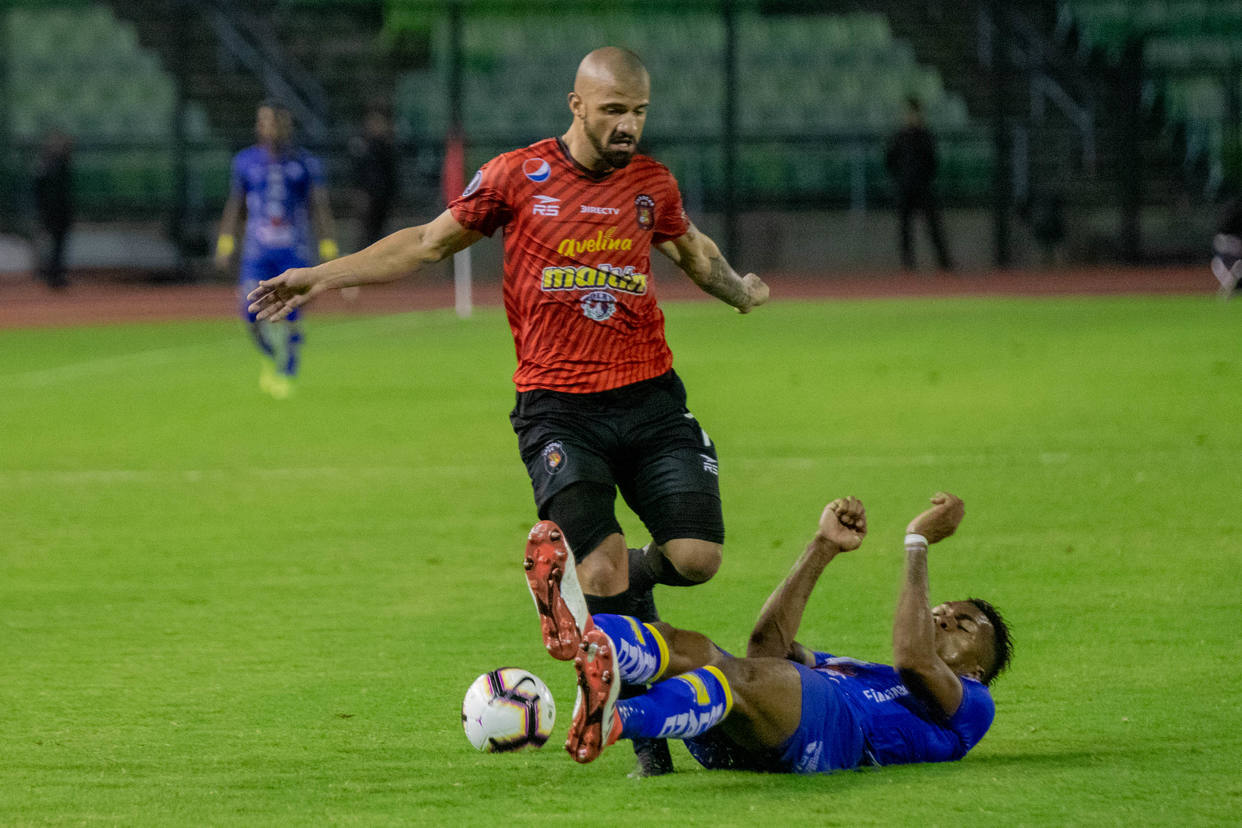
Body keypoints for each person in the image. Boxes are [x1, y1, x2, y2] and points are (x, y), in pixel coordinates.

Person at [248, 47, 769, 775]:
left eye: (639, 112)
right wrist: (319, 276)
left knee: (697, 558)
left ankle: (608, 593)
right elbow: (428, 243)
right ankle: (644, 739)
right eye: (614, 110)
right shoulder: (517, 177)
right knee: (605, 564)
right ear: (577, 105)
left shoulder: (652, 184)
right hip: (558, 409)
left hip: (650, 397)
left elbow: (691, 250)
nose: (628, 126)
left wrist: (739, 290)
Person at [524, 491, 1012, 772]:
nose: (943, 617)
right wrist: (822, 546)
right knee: (691, 647)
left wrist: (918, 540)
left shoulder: (971, 705)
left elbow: (915, 657)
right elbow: (768, 649)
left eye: (963, 624)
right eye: (942, 610)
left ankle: (614, 719)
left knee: (741, 679)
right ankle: (586, 633)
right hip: (747, 731)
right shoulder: (866, 672)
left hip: (838, 735)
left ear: (976, 666)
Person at [216, 100, 339, 399]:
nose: (270, 127)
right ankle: (272, 353)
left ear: (287, 126)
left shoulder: (305, 163)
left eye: (276, 121)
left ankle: (290, 366)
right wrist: (225, 242)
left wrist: (328, 246)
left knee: (291, 309)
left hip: (292, 250)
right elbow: (236, 206)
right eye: (265, 121)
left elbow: (318, 206)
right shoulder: (245, 162)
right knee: (249, 312)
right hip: (256, 253)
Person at [885, 97, 954, 272]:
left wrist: (925, 178)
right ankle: (908, 264)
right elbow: (889, 161)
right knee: (905, 229)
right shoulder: (898, 137)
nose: (910, 117)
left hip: (924, 187)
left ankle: (944, 263)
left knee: (933, 226)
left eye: (914, 113)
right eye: (908, 113)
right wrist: (900, 179)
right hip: (904, 187)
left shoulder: (926, 136)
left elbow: (933, 162)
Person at [349, 102, 399, 249]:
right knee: (365, 234)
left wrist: (394, 196)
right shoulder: (361, 147)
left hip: (383, 197)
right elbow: (356, 174)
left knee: (382, 234)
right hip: (367, 197)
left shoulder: (388, 147)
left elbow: (393, 174)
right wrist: (358, 194)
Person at [33, 129, 74, 290]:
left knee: (57, 244)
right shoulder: (49, 165)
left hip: (58, 211)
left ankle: (55, 273)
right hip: (51, 211)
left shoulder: (59, 164)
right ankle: (51, 273)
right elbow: (39, 190)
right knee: (50, 244)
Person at [1211, 195, 1242, 300]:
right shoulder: (1234, 208)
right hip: (1230, 240)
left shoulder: (1231, 208)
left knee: (1217, 263)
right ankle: (1230, 281)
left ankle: (1229, 282)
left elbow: (1222, 226)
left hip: (1227, 240)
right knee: (1218, 263)